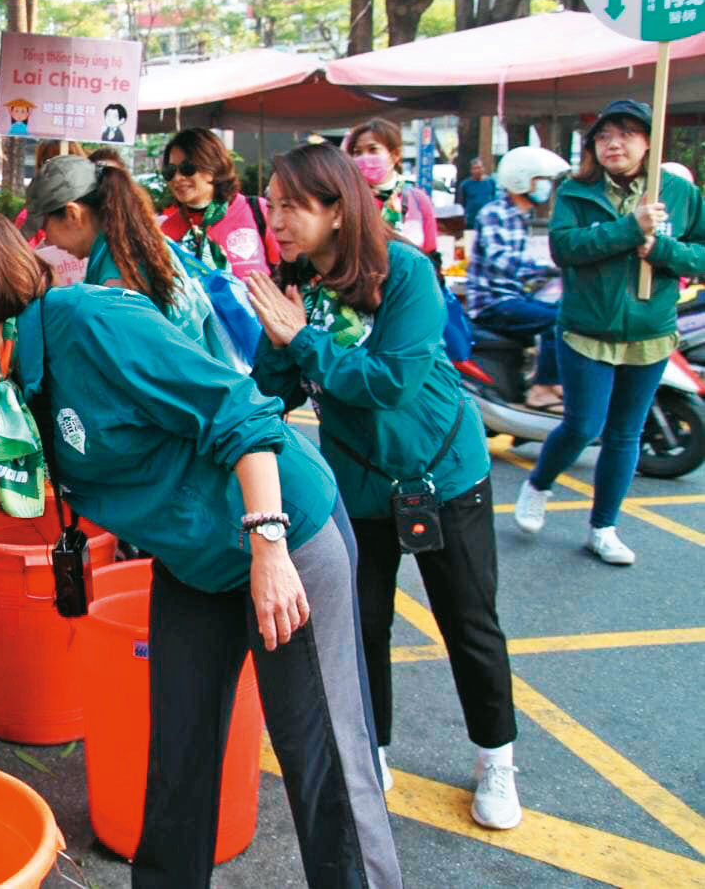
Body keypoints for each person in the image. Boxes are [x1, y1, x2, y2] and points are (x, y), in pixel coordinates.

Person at [0, 210, 401, 888]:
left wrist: (269, 547)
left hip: (280, 529)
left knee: (322, 760)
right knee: (178, 754)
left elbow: (239, 412)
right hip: (195, 561)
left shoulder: (89, 323)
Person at [245, 142, 520, 831]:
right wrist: (270, 354)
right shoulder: (294, 287)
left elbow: (391, 382)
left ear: (338, 210)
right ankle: (376, 747)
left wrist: (301, 341)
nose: (276, 221)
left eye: (291, 206)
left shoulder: (406, 272)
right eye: (271, 206)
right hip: (359, 486)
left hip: (443, 476)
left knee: (469, 623)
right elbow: (271, 391)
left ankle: (496, 759)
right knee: (363, 626)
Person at [513, 100, 705, 565]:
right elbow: (565, 248)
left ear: (649, 141)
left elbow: (700, 252)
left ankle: (604, 527)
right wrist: (628, 229)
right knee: (583, 425)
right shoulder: (576, 191)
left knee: (624, 435)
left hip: (650, 334)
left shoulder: (678, 191)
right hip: (586, 331)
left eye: (626, 134)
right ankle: (538, 483)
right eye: (603, 136)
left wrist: (664, 251)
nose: (613, 144)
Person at [27, 154, 248, 369]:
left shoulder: (116, 277)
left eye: (45, 227)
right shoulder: (135, 245)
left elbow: (124, 365)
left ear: (73, 214)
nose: (47, 240)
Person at [467, 146, 569, 411]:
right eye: (541, 180)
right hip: (493, 304)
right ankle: (542, 389)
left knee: (571, 312)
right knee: (559, 320)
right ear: (521, 180)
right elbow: (501, 260)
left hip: (512, 297)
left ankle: (555, 381)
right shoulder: (494, 213)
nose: (546, 187)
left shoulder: (521, 216)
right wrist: (550, 267)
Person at [158, 128, 281, 279]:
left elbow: (286, 272)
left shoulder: (257, 211)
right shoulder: (168, 231)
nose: (177, 178)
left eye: (187, 168)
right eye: (170, 171)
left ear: (213, 168)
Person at [346, 117, 437, 257]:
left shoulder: (417, 199)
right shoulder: (349, 200)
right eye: (357, 152)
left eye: (373, 150)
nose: (364, 158)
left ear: (395, 155)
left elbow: (430, 249)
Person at [457, 157, 498, 231]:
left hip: (488, 219)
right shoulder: (465, 185)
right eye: (474, 168)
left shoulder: (491, 182)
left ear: (483, 169)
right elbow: (461, 203)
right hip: (471, 221)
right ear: (471, 170)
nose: (477, 171)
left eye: (479, 168)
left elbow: (495, 199)